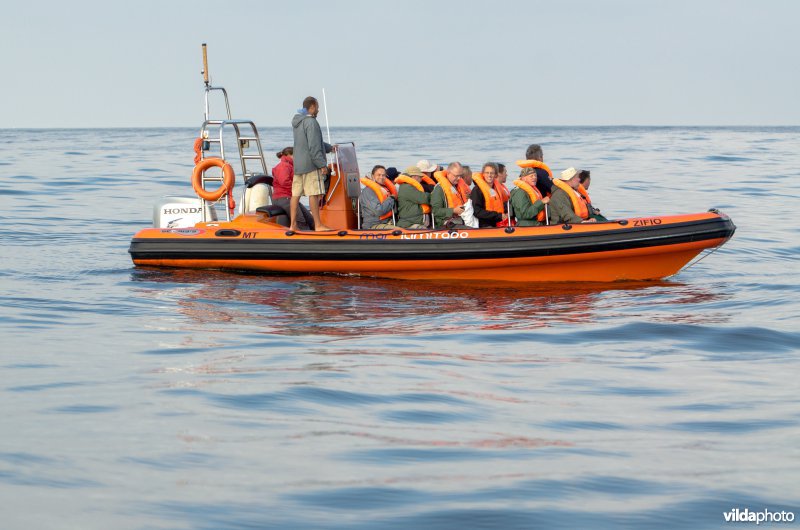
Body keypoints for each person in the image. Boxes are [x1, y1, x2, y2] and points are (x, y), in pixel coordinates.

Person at [291, 96, 334, 231]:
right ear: (312, 107)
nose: (319, 110)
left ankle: (293, 225)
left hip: (298, 165)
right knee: (314, 194)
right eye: (317, 106)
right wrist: (322, 165)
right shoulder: (311, 122)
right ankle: (318, 225)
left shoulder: (298, 122)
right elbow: (314, 147)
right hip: (311, 165)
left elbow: (307, 143)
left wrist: (330, 148)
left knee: (295, 195)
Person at [271, 147, 314, 229]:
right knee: (300, 220)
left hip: (290, 197)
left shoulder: (290, 166)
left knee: (310, 219)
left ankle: (315, 234)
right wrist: (298, 187)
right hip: (283, 198)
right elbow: (284, 182)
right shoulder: (283, 166)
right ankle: (305, 237)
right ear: (289, 155)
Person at [470, 162, 507, 228]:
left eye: (492, 173)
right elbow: (476, 211)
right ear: (483, 174)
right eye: (487, 173)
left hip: (498, 222)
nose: (489, 175)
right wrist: (498, 215)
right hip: (483, 225)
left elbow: (502, 203)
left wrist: (507, 211)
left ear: (496, 175)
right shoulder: (477, 190)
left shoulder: (497, 188)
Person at [431, 162, 466, 228]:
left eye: (460, 176)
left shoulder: (458, 187)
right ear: (448, 173)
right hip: (445, 224)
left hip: (460, 220)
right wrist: (453, 210)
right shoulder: (439, 189)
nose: (459, 178)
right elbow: (435, 211)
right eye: (456, 176)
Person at [360, 165, 396, 229]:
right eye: (378, 175)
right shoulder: (368, 191)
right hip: (373, 225)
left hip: (386, 222)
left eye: (383, 175)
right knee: (400, 232)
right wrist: (391, 198)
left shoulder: (384, 189)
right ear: (373, 176)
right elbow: (378, 211)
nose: (381, 177)